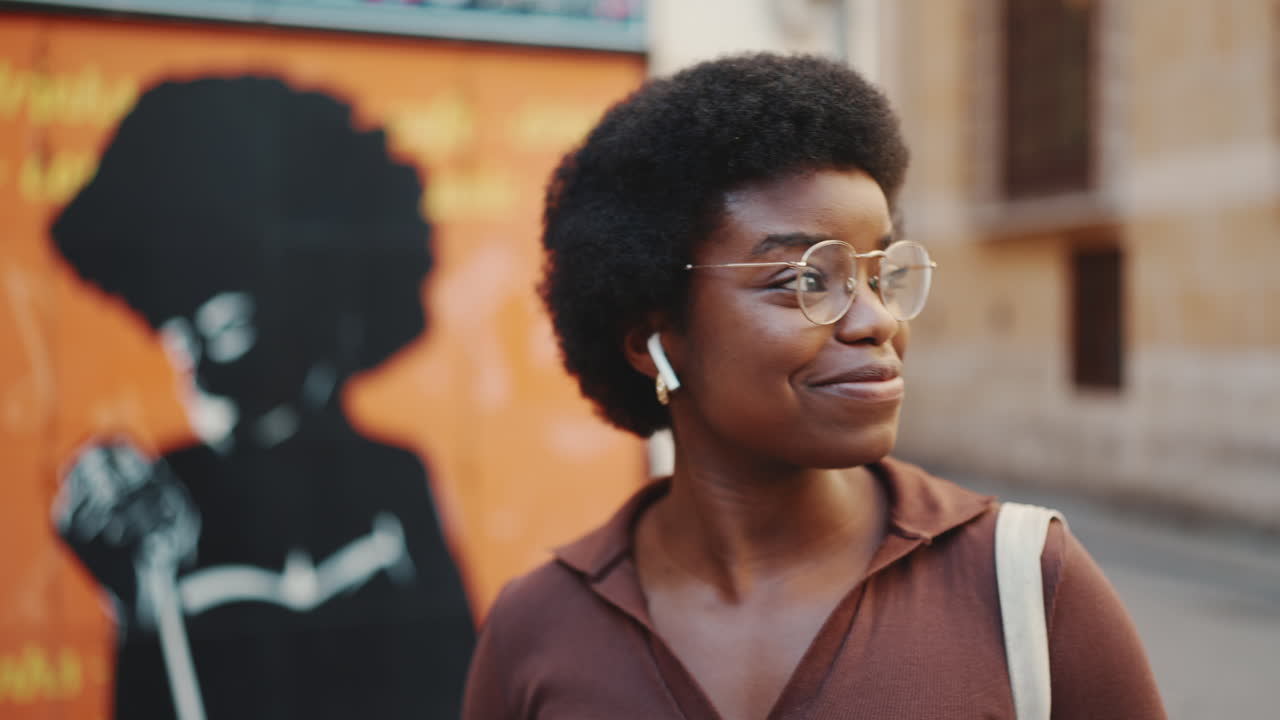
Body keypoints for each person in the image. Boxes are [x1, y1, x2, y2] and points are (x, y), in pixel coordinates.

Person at [462, 53, 1166, 719]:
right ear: (653, 339)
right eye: (801, 279)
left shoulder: (1023, 583)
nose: (877, 320)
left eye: (879, 273)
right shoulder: (538, 628)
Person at [51, 76, 475, 719]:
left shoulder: (393, 479)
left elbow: (460, 684)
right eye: (173, 305)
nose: (189, 339)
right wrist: (135, 597)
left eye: (222, 306)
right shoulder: (163, 501)